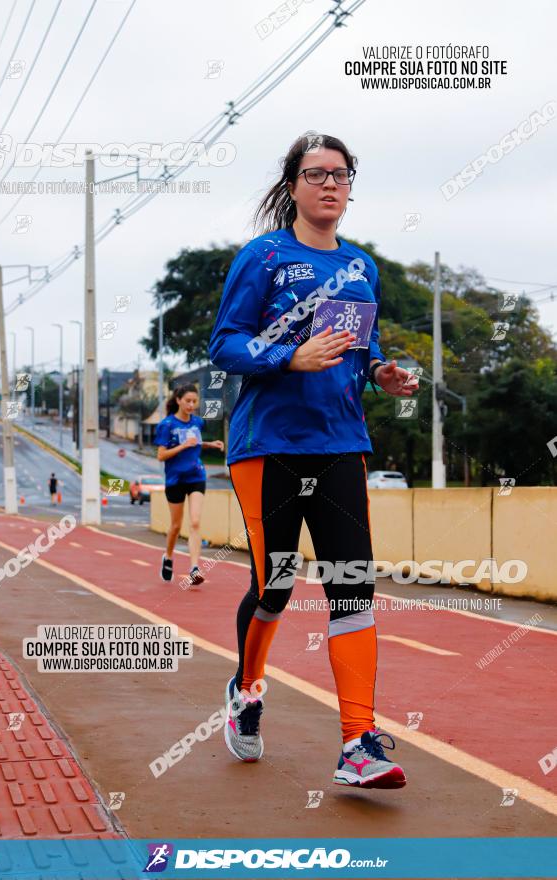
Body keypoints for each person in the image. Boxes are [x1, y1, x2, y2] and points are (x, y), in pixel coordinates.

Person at [209, 133, 419, 788]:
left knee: (352, 587)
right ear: (293, 186)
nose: (329, 184)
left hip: (340, 443)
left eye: (340, 174)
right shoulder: (263, 256)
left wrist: (381, 370)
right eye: (315, 173)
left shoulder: (361, 266)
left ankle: (358, 742)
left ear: (350, 186)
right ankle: (246, 691)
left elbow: (361, 344)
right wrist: (284, 357)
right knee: (274, 585)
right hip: (268, 445)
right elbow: (225, 344)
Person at [154, 384, 224, 586]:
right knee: (176, 526)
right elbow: (161, 455)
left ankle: (194, 568)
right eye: (188, 401)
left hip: (196, 476)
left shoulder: (198, 423)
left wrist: (211, 444)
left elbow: (196, 443)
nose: (192, 405)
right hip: (175, 479)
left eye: (195, 401)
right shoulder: (167, 425)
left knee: (194, 522)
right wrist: (183, 446)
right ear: (178, 400)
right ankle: (168, 557)